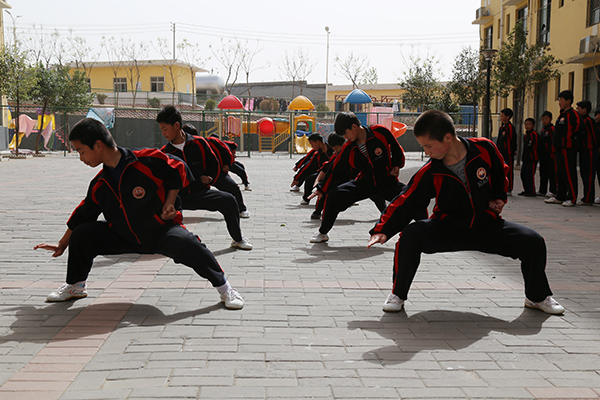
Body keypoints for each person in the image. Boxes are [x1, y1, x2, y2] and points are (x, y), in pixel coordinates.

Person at [367, 109, 564, 315]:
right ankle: (398, 294)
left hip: (485, 226)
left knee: (533, 241)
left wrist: (498, 198)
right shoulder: (431, 170)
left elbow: (499, 172)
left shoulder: (484, 149)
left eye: (428, 145)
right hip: (447, 228)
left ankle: (537, 297)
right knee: (409, 236)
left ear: (447, 137)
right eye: (423, 146)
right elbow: (407, 200)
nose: (427, 151)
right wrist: (382, 229)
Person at [34, 118, 244, 309]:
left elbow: (178, 167)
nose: (81, 158)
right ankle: (75, 286)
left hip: (160, 233)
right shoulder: (100, 183)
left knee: (188, 243)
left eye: (81, 151)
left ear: (98, 145)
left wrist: (170, 202)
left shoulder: (145, 159)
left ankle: (225, 289)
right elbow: (84, 213)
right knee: (83, 233)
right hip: (123, 236)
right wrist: (62, 244)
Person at [157, 108, 252, 250]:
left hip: (201, 193)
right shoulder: (165, 153)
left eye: (165, 129)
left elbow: (214, 164)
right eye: (161, 130)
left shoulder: (200, 143)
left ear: (177, 125)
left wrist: (209, 177)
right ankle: (157, 242)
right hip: (177, 197)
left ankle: (237, 239)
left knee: (229, 200)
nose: (163, 134)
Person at [308, 112, 409, 243]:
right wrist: (322, 188)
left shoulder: (380, 132)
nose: (345, 138)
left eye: (345, 134)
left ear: (354, 127)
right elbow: (335, 168)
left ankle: (424, 226)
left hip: (387, 182)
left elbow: (396, 148)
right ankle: (322, 232)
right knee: (333, 196)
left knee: (413, 196)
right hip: (364, 183)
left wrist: (396, 165)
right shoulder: (349, 147)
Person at [545, 90, 580, 207]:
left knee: (569, 173)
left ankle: (572, 197)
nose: (559, 102)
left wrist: (570, 141)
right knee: (560, 173)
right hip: (559, 149)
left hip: (568, 149)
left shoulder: (573, 115)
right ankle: (560, 196)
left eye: (561, 100)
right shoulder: (562, 115)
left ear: (568, 101)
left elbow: (579, 129)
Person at [203, 133, 250, 218]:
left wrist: (227, 164)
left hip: (218, 170)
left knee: (238, 174)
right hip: (209, 173)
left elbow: (228, 151)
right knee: (233, 188)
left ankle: (245, 186)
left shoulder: (214, 142)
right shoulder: (198, 144)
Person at [311, 133, 347, 220]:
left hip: (353, 179)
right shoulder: (335, 155)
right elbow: (327, 168)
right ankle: (318, 212)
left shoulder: (349, 151)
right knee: (324, 191)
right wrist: (317, 180)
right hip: (339, 180)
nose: (336, 150)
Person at [291, 134, 332, 206]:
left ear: (318, 142)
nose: (311, 146)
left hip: (336, 172)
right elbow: (307, 166)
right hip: (322, 174)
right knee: (310, 179)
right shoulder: (316, 154)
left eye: (312, 144)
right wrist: (297, 178)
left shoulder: (333, 149)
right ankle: (306, 198)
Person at [575, 100, 599, 205]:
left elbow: (595, 136)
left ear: (585, 110)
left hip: (590, 151)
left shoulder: (589, 121)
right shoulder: (581, 121)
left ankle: (588, 198)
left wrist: (596, 148)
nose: (577, 110)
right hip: (583, 151)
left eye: (579, 108)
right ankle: (586, 196)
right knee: (584, 174)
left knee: (589, 175)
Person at [496, 108, 517, 196]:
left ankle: (509, 188)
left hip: (508, 153)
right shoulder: (502, 128)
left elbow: (513, 140)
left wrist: (512, 151)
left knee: (509, 170)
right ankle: (502, 187)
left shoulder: (510, 127)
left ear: (508, 117)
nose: (501, 117)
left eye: (502, 115)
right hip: (501, 152)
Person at [537, 111, 557, 197]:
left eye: (546, 119)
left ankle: (553, 190)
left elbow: (554, 141)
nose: (544, 121)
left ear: (550, 119)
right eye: (543, 119)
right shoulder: (542, 130)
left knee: (551, 173)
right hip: (543, 156)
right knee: (543, 173)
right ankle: (542, 190)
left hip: (550, 155)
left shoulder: (552, 129)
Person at [518, 118, 539, 197]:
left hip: (532, 158)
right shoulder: (526, 136)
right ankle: (526, 189)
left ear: (533, 125)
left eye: (529, 124)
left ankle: (531, 191)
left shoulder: (534, 135)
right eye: (526, 124)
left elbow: (537, 146)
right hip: (526, 158)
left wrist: (536, 156)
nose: (527, 126)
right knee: (523, 174)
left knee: (529, 175)